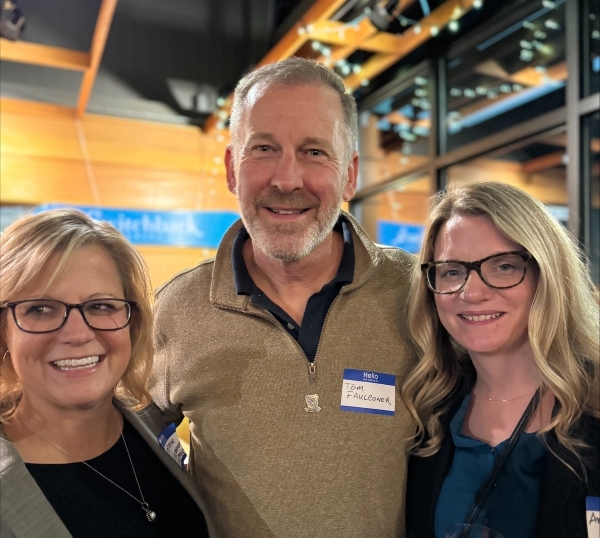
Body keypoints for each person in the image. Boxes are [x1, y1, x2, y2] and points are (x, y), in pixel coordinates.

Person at [150, 57, 416, 537]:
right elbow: (121, 447)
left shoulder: (417, 294)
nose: (287, 179)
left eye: (314, 152)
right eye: (264, 148)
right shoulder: (175, 310)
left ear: (350, 175)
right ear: (233, 169)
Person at [403, 182, 600, 538]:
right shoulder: (424, 413)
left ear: (548, 275)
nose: (472, 292)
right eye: (451, 271)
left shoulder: (594, 404)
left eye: (504, 267)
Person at [0, 209, 213, 538]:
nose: (77, 334)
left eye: (101, 306)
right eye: (40, 309)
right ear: (4, 332)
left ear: (133, 322)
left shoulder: (159, 428)